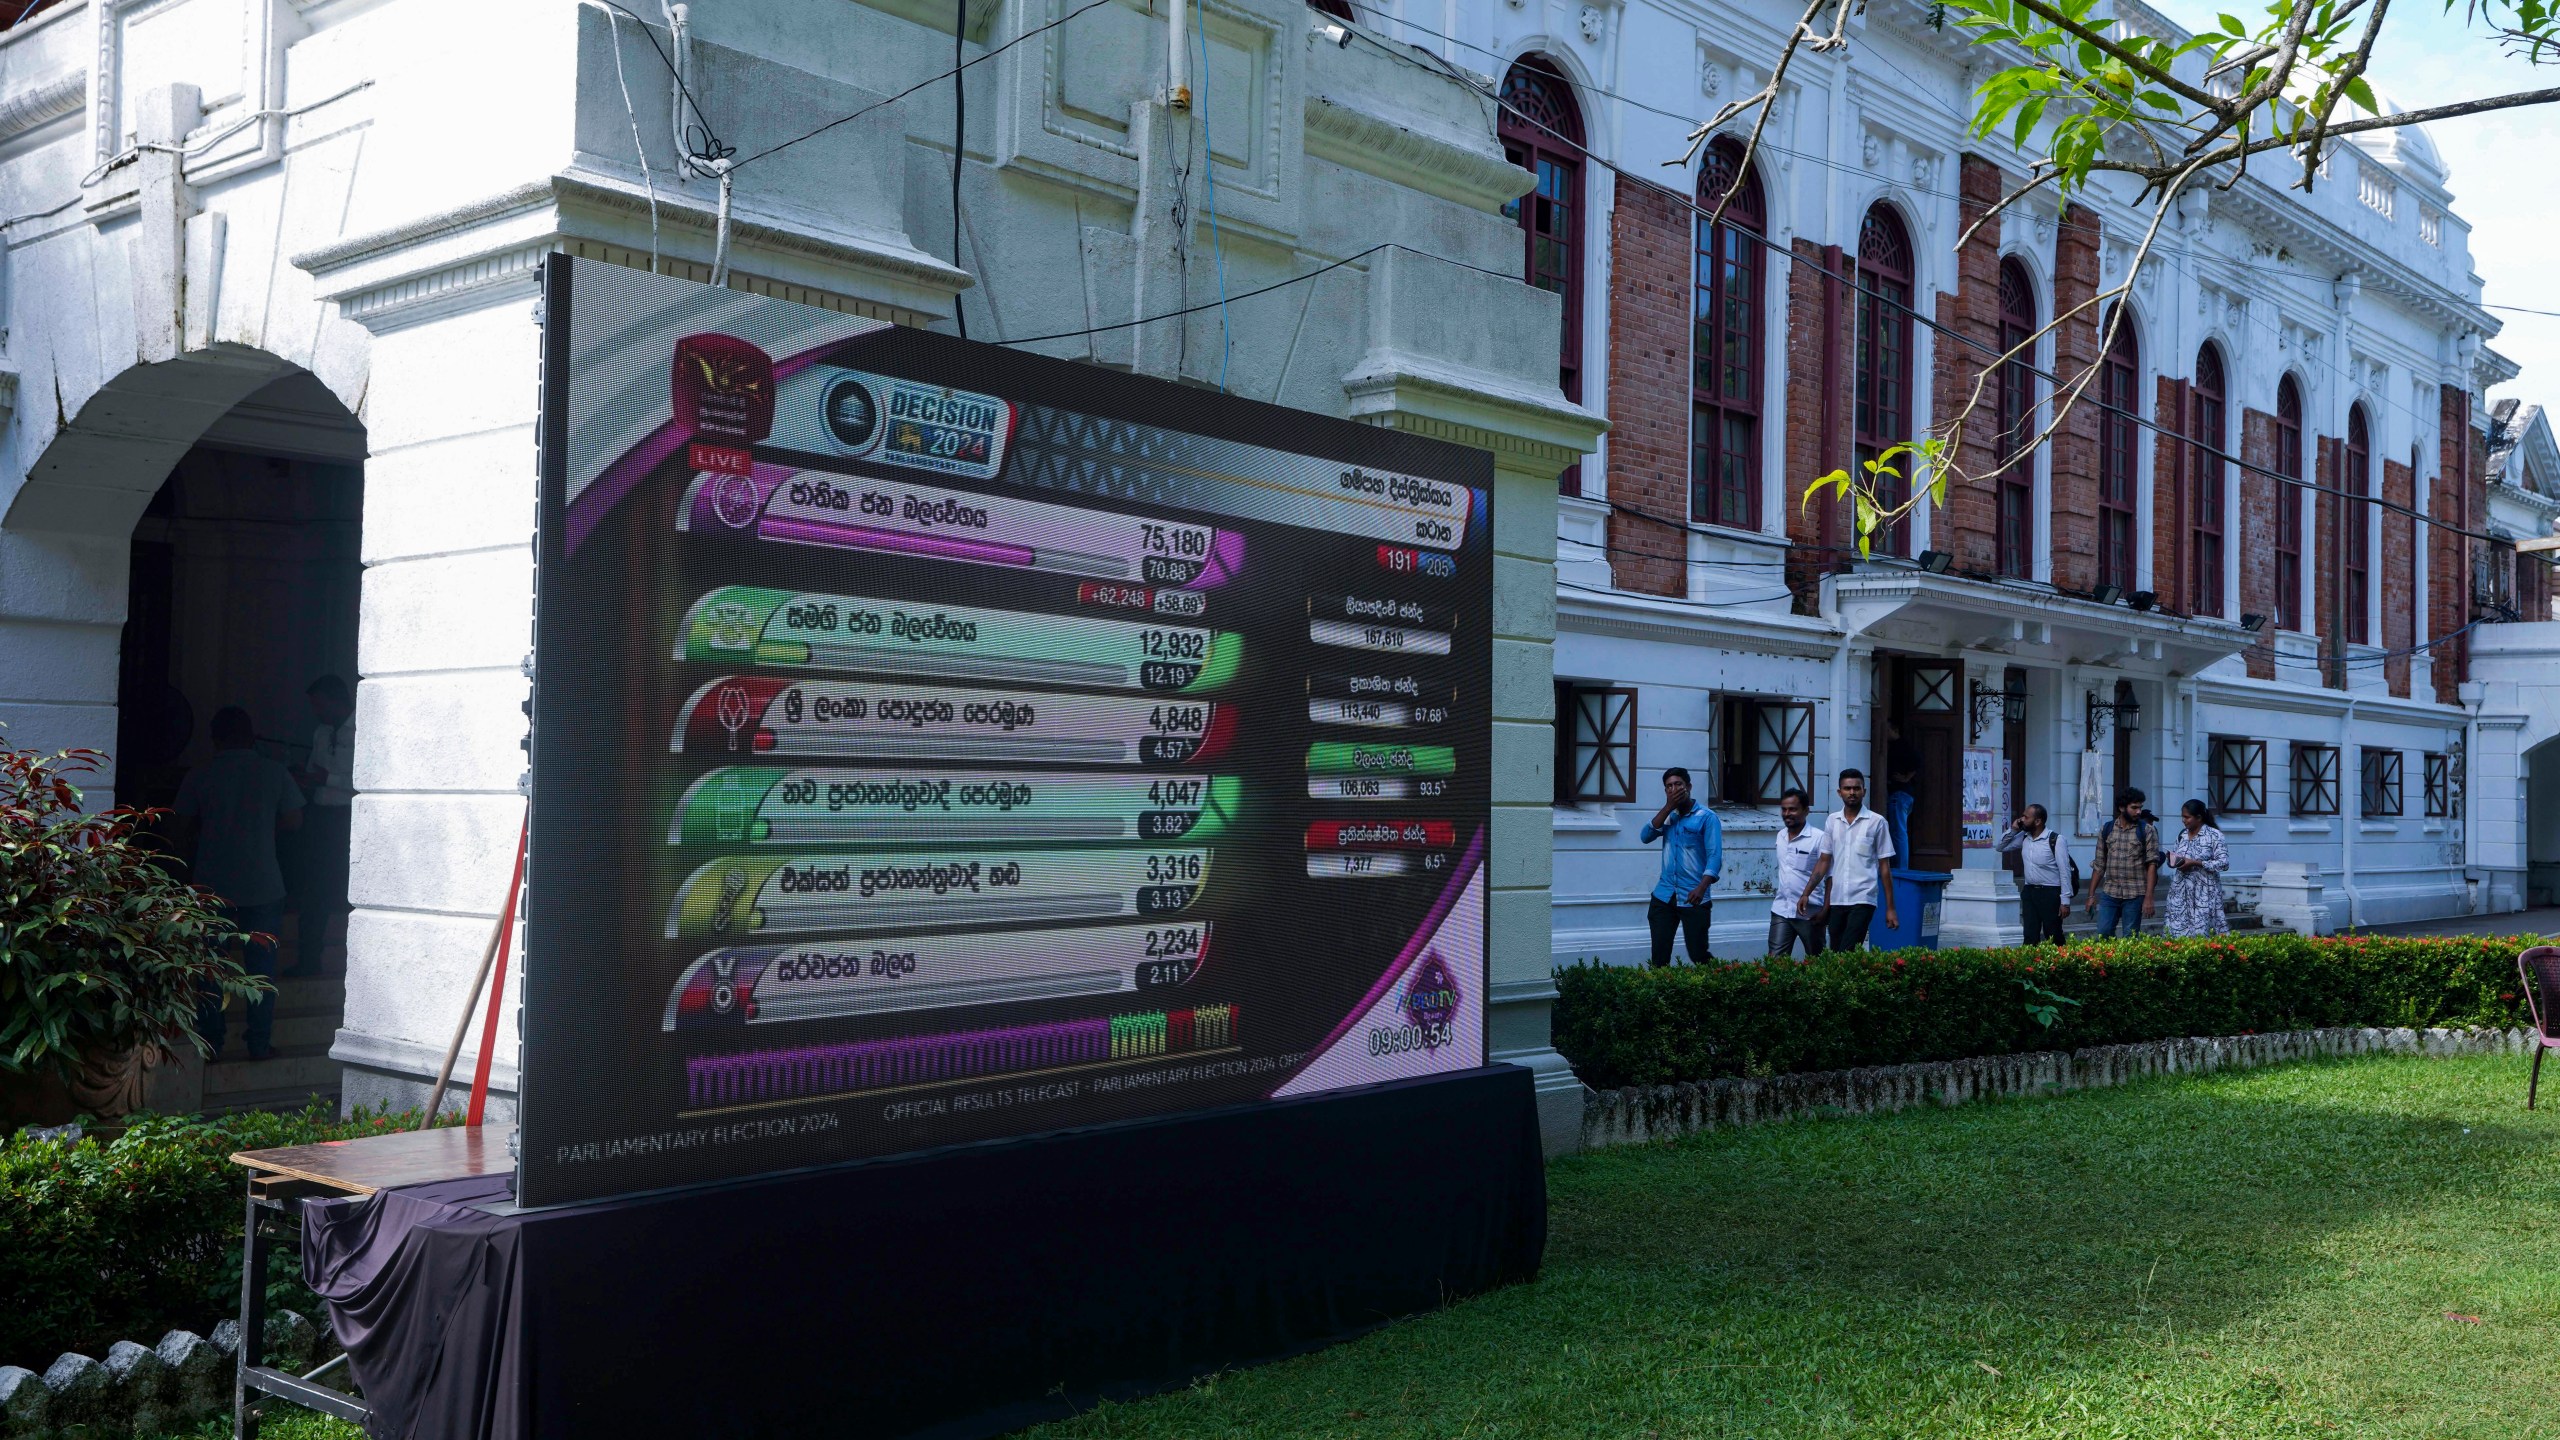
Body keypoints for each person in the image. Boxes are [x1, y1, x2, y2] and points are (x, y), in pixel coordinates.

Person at [172, 707, 304, 1059]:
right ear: (251, 735)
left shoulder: (200, 775)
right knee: (261, 972)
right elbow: (294, 819)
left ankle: (212, 1042)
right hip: (264, 884)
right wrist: (261, 832)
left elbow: (179, 827)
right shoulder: (274, 772)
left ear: (214, 739)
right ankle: (259, 1043)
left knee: (211, 969)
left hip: (211, 886)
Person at [288, 675, 355, 977]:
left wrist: (325, 779)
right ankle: (308, 962)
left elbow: (365, 781)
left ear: (336, 701)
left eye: (319, 704)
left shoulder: (361, 729)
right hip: (320, 814)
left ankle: (347, 968)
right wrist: (305, 777)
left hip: (349, 818)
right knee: (313, 890)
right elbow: (317, 771)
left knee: (345, 891)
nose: (316, 710)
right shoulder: (320, 731)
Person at [1797, 768, 1898, 950]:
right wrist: (1806, 893)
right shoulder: (1832, 821)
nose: (1852, 793)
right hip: (1837, 899)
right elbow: (1824, 861)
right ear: (1839, 792)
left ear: (1863, 791)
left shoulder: (1877, 822)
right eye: (1847, 788)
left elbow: (1884, 867)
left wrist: (1890, 908)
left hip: (1863, 897)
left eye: (1856, 788)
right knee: (1836, 950)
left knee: (1848, 948)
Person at [1638, 766, 1722, 966]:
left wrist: (1702, 887)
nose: (1673, 789)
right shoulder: (1669, 815)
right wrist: (1667, 807)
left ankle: (1720, 988)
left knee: (1699, 955)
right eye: (1668, 786)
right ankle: (1661, 994)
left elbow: (1714, 856)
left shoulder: (1707, 817)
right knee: (1659, 957)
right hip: (1664, 896)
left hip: (1694, 897)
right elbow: (1645, 836)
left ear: (1689, 787)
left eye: (1678, 784)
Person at [2085, 787, 2159, 937]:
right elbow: (2099, 864)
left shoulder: (2147, 830)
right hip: (2110, 892)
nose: (2138, 812)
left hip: (2135, 893)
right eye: (2134, 807)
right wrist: (2091, 896)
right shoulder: (2107, 829)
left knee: (2130, 937)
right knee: (2103, 933)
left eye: (2140, 807)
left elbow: (2152, 865)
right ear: (2121, 808)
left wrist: (2149, 897)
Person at [1997, 803, 2074, 946]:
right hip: (2030, 892)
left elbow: (2065, 872)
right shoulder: (2024, 837)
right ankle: (2031, 966)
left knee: (2053, 935)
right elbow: (2001, 846)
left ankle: (2059, 965)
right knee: (2030, 935)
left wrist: (2065, 901)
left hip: (2051, 893)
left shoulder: (2056, 840)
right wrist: (2013, 829)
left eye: (2026, 817)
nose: (2021, 819)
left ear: (2038, 821)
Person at [1766, 787, 1829, 958]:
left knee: (1816, 961)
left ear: (1806, 811)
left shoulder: (1819, 838)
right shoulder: (1780, 836)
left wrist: (1825, 909)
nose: (1787, 813)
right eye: (1784, 809)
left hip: (1810, 913)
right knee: (1775, 963)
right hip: (1782, 909)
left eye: (1793, 809)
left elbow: (1830, 876)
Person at [2161, 799, 2231, 938]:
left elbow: (2224, 863)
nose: (2183, 820)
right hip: (2180, 892)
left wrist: (2196, 863)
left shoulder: (2214, 835)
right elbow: (2177, 855)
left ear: (2199, 817)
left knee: (2202, 933)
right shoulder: (2182, 835)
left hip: (2204, 892)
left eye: (2187, 817)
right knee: (2177, 932)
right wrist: (2173, 860)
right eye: (2182, 817)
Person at [1884, 721, 1921, 864]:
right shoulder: (1897, 746)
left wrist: (1906, 778)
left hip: (1899, 794)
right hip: (1903, 795)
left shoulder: (1901, 746)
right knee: (1897, 830)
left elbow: (1917, 761)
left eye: (1887, 730)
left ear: (1895, 730)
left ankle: (1901, 868)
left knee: (1898, 832)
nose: (1885, 733)